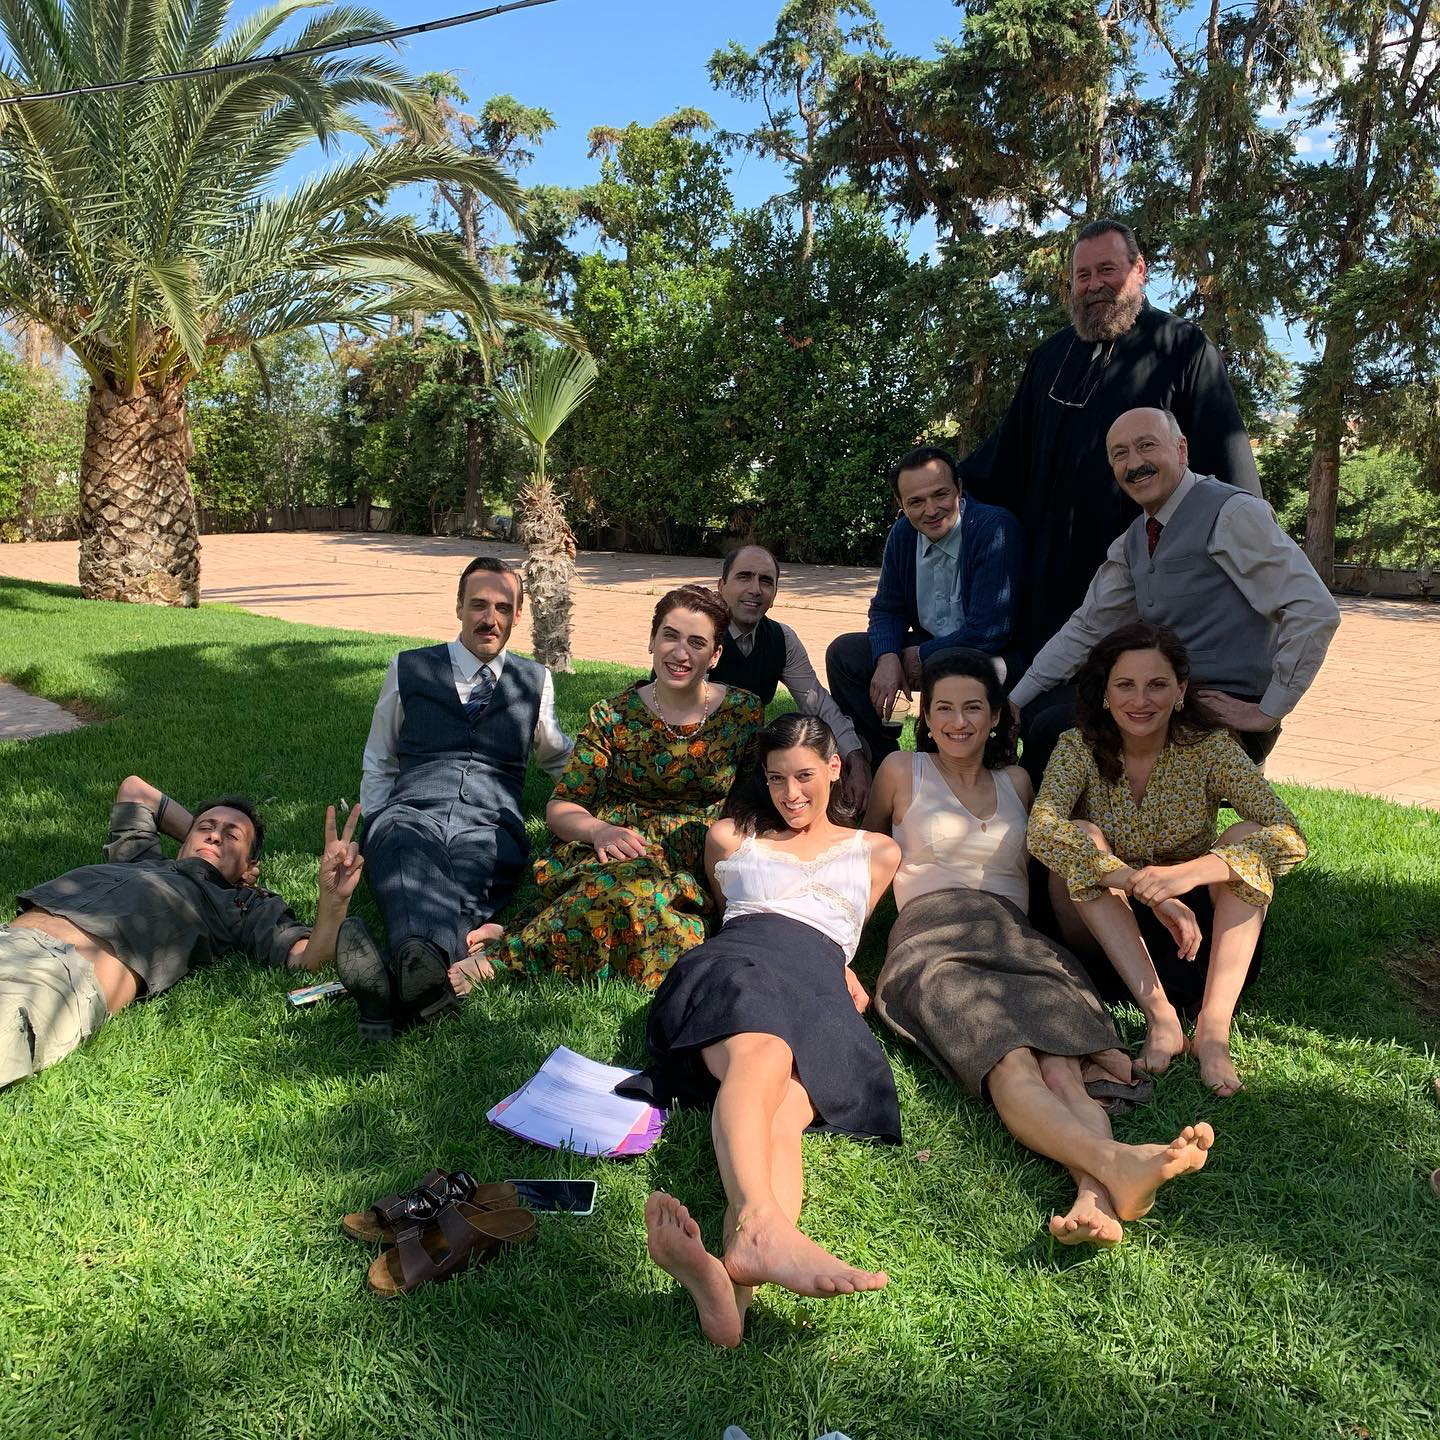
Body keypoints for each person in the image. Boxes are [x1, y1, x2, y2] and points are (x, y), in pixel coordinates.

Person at [865, 650, 1214, 1248]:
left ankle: (1094, 1196)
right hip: (933, 935)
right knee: (1008, 1058)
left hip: (1015, 936)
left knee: (1064, 1067)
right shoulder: (902, 770)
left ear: (996, 716)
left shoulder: (1019, 783)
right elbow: (862, 854)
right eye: (942, 708)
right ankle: (1115, 1162)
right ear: (925, 718)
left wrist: (1148, 890)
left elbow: (1069, 852)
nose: (957, 721)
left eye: (972, 707)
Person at [616, 714, 902, 1347]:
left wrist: (843, 970)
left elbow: (845, 932)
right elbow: (730, 919)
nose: (790, 794)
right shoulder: (730, 837)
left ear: (835, 767)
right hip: (741, 965)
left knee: (787, 1113)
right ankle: (759, 1226)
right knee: (763, 1057)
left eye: (804, 776)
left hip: (819, 984)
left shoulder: (878, 851)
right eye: (776, 779)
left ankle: (732, 1295)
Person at [961, 218, 1263, 673]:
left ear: (1139, 269)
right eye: (1082, 275)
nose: (1093, 285)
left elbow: (1225, 472)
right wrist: (942, 483)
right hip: (1050, 585)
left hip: (1144, 584)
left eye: (1107, 270)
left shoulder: (1183, 349)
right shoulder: (1050, 358)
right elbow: (1005, 458)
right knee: (1047, 699)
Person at [1028, 623, 1309, 1098]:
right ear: (1105, 693)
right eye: (1125, 685)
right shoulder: (1078, 747)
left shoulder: (1210, 747)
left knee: (1247, 836)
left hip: (1197, 942)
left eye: (1157, 684)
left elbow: (1290, 834)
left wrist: (1189, 873)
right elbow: (1042, 829)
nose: (1141, 700)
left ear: (1180, 690)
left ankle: (1213, 1031)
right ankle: (1162, 1020)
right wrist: (1140, 883)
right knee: (1080, 835)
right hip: (1107, 935)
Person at [451, 586, 763, 992]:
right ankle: (502, 960)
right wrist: (600, 831)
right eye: (670, 636)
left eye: (696, 642)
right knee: (624, 892)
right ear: (652, 640)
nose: (680, 653)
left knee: (672, 937)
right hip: (619, 847)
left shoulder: (743, 713)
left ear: (715, 655)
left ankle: (530, 928)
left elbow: (752, 802)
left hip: (696, 857)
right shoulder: (612, 715)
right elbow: (562, 805)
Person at [1008, 406, 1341, 781]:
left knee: (1059, 731)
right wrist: (1014, 701)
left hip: (1222, 708)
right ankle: (1027, 814)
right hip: (1161, 698)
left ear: (1181, 450)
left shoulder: (1232, 513)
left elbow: (1314, 609)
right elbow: (1087, 627)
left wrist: (1267, 712)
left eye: (1147, 445)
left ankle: (1057, 819)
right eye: (1120, 454)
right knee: (1040, 715)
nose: (1135, 463)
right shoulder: (1135, 539)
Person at [1, 775, 363, 1088]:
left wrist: (333, 901)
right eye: (206, 827)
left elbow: (309, 959)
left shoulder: (239, 904)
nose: (215, 836)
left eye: (231, 835)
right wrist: (203, 842)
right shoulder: (139, 860)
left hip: (56, 976)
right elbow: (135, 790)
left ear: (251, 866)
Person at [348, 556, 572, 1037]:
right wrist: (377, 824)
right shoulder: (409, 667)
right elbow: (379, 757)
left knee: (458, 875)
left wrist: (608, 788)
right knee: (404, 846)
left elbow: (558, 757)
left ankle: (392, 987)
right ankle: (430, 983)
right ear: (458, 607)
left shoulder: (535, 680)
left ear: (517, 615)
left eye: (503, 608)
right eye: (478, 605)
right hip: (412, 809)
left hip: (491, 823)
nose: (490, 619)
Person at [825, 444, 1023, 769]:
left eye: (940, 494)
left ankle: (950, 769)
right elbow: (887, 608)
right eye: (915, 502)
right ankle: (880, 763)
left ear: (959, 488)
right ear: (901, 504)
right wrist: (887, 656)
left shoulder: (993, 528)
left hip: (994, 654)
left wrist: (921, 655)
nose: (931, 510)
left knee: (944, 664)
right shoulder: (903, 534)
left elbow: (990, 629)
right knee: (845, 654)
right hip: (931, 647)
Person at [713, 543, 871, 810]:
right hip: (694, 757)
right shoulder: (699, 632)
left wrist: (855, 758)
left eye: (766, 581)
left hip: (752, 759)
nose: (755, 589)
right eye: (744, 577)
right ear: (722, 586)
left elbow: (817, 703)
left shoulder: (781, 638)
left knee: (835, 751)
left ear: (774, 594)